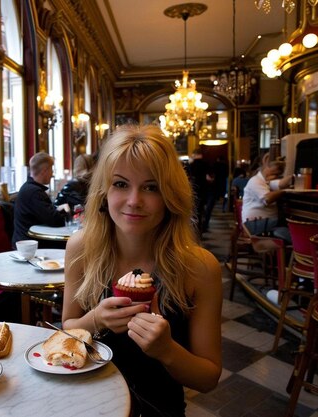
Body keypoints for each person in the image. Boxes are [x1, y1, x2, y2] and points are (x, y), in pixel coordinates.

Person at [62, 125, 222, 417]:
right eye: (121, 184)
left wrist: (167, 350)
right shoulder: (81, 248)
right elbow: (68, 329)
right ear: (103, 192)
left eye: (151, 187)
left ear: (170, 196)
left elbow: (208, 377)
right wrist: (95, 318)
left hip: (157, 407)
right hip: (85, 402)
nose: (134, 200)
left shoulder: (200, 267)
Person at [12, 152, 69, 246]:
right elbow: (56, 221)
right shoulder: (34, 192)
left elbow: (47, 215)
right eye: (51, 170)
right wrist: (65, 212)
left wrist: (57, 209)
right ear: (44, 171)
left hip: (28, 241)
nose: (52, 174)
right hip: (30, 246)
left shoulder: (29, 189)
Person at [242, 153, 293, 242]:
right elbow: (267, 199)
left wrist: (295, 177)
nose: (276, 177)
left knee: (284, 228)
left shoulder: (266, 181)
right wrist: (286, 190)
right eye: (275, 174)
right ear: (267, 168)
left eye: (278, 175)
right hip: (254, 224)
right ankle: (301, 246)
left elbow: (281, 183)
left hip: (264, 223)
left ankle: (295, 246)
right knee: (286, 223)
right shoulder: (255, 181)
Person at [187, 148, 211, 235]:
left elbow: (188, 178)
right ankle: (199, 230)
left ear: (195, 154)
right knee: (201, 211)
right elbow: (209, 177)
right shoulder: (206, 164)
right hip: (203, 189)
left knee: (193, 211)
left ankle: (193, 231)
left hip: (193, 189)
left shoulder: (191, 165)